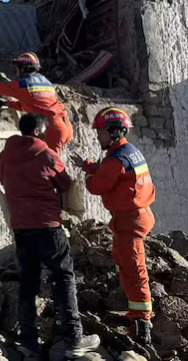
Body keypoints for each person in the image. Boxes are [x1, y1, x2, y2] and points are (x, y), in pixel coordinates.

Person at [0, 113, 101, 359]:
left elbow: (3, 179)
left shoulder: (6, 155)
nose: (47, 136)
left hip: (21, 228)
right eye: (44, 132)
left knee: (28, 282)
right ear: (37, 131)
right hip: (48, 227)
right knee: (64, 278)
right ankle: (74, 339)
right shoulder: (47, 155)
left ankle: (28, 341)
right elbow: (65, 184)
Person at [69, 108, 156, 345]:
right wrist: (87, 165)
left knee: (134, 269)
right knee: (123, 262)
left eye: (101, 133)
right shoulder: (127, 152)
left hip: (130, 220)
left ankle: (142, 323)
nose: (98, 137)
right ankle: (134, 312)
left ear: (115, 132)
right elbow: (108, 170)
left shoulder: (116, 159)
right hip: (133, 216)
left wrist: (87, 177)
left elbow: (98, 185)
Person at [0, 52, 73, 153]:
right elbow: (34, 105)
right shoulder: (46, 82)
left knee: (49, 162)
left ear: (24, 68)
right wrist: (7, 103)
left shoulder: (23, 83)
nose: (16, 70)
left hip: (52, 129)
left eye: (18, 67)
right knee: (45, 160)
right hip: (65, 125)